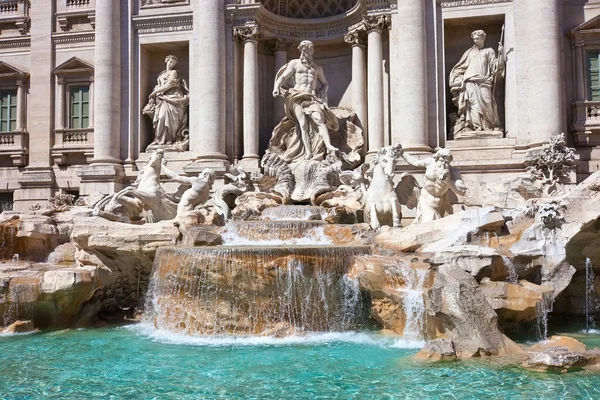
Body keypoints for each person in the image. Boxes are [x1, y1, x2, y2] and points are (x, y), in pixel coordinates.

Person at [271, 40, 338, 162]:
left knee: (319, 119)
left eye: (310, 49)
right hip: (297, 95)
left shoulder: (317, 68)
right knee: (303, 125)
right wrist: (276, 87)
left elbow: (325, 84)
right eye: (305, 49)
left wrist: (321, 93)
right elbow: (283, 77)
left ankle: (328, 145)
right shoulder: (295, 64)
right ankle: (307, 152)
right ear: (302, 50)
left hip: (311, 98)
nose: (308, 51)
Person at [449, 30, 505, 137]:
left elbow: (496, 67)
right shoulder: (469, 52)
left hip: (484, 81)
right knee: (473, 104)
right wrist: (455, 77)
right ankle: (476, 127)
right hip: (470, 81)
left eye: (477, 38)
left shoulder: (489, 51)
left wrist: (501, 53)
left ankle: (488, 127)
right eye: (474, 39)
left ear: (483, 38)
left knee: (487, 102)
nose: (475, 40)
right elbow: (460, 67)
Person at [401, 148, 467, 223]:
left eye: (446, 162)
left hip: (440, 203)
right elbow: (414, 162)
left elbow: (462, 191)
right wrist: (402, 153)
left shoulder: (453, 172)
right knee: (427, 222)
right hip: (425, 198)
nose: (443, 164)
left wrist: (448, 181)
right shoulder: (429, 162)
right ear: (437, 158)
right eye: (441, 161)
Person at [143, 55, 189, 148]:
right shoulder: (161, 74)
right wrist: (156, 91)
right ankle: (160, 139)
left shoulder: (174, 72)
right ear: (166, 61)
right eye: (170, 61)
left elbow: (168, 85)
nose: (171, 64)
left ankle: (169, 140)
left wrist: (155, 92)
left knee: (168, 118)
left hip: (173, 98)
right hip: (162, 99)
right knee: (160, 117)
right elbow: (160, 85)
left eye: (173, 63)